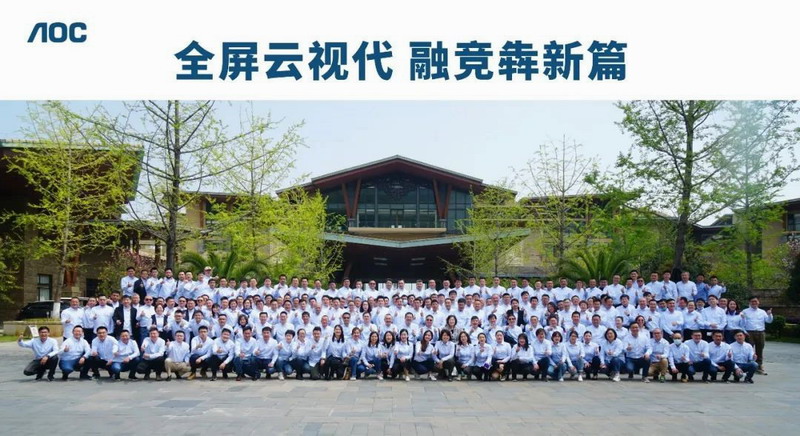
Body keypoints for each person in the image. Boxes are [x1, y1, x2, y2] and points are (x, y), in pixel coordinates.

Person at [741, 296, 773, 375]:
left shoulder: (762, 312)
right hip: (749, 332)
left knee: (760, 349)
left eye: (755, 301)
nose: (754, 303)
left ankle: (759, 366)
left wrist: (769, 314)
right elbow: (742, 323)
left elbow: (769, 321)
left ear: (758, 302)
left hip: (760, 332)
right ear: (749, 302)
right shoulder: (745, 311)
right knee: (748, 349)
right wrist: (744, 332)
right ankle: (748, 366)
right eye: (752, 301)